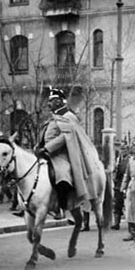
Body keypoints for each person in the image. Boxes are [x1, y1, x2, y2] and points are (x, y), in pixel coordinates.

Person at [35, 88, 99, 223]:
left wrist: (48, 148)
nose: (48, 104)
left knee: (62, 174)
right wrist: (39, 146)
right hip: (47, 153)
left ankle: (61, 207)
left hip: (62, 154)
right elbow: (47, 134)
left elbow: (66, 136)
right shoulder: (53, 117)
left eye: (51, 101)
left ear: (58, 102)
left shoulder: (69, 116)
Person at [111, 139, 130, 230]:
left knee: (130, 204)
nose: (123, 150)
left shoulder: (130, 159)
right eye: (121, 148)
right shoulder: (118, 159)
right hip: (118, 184)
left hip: (127, 183)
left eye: (124, 149)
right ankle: (116, 222)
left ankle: (134, 222)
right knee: (117, 203)